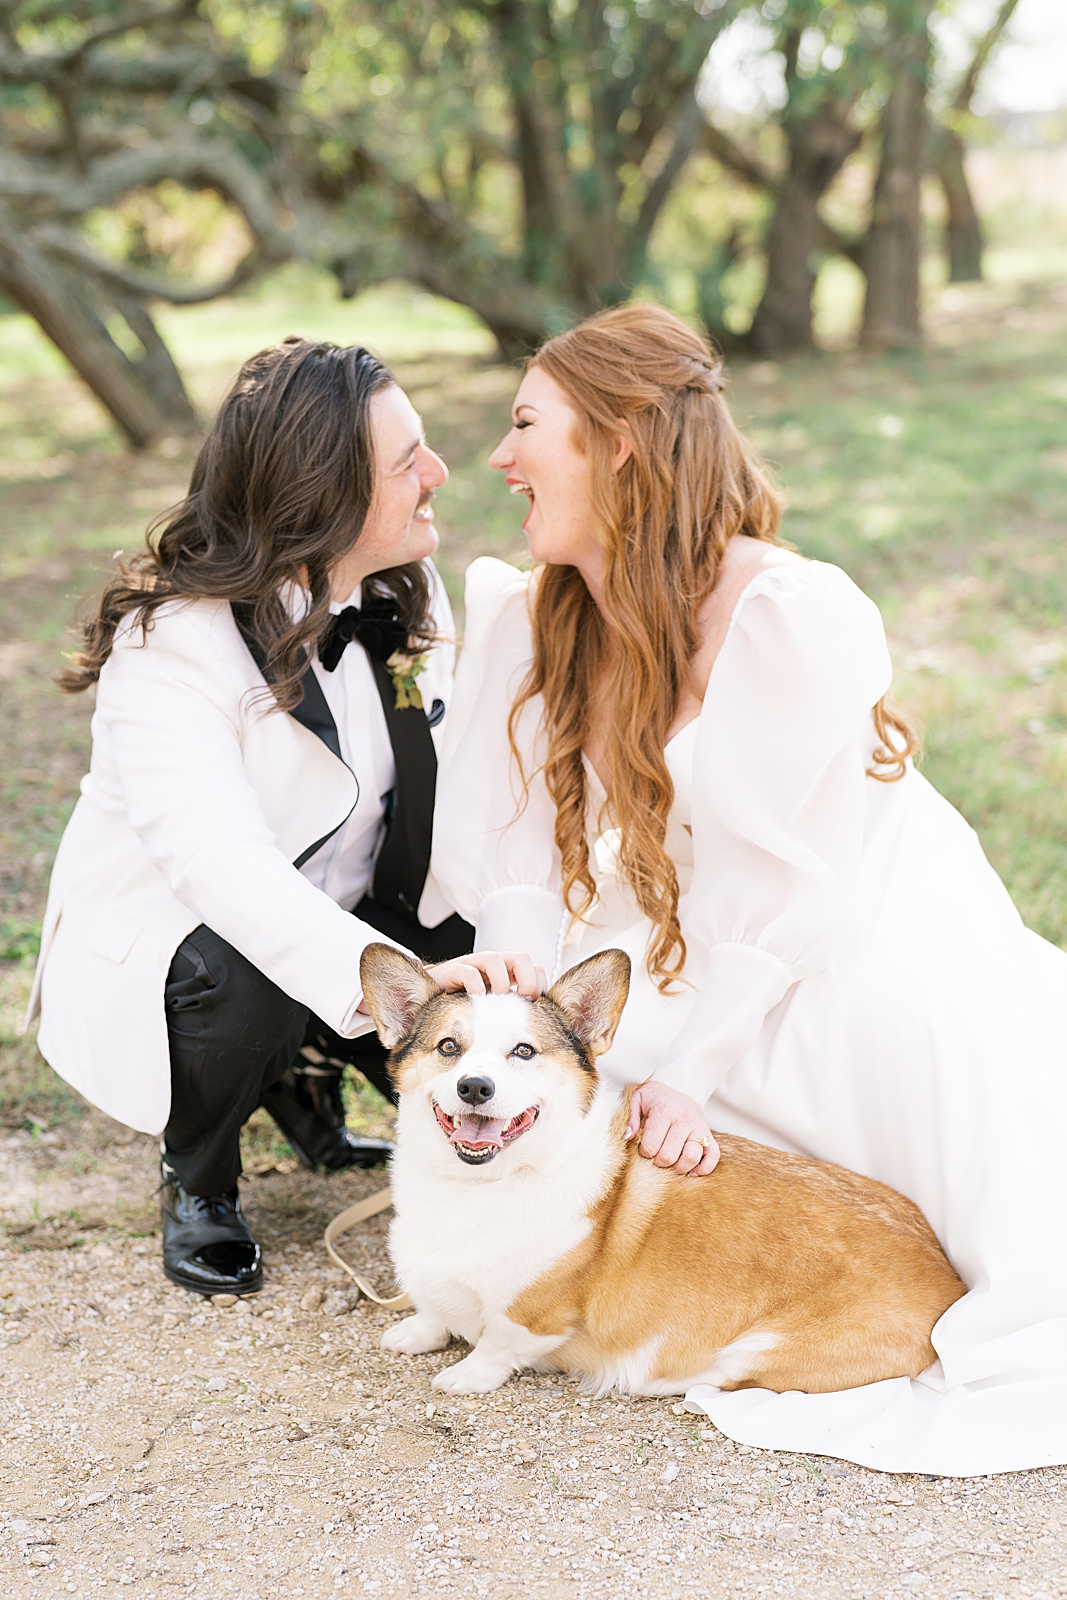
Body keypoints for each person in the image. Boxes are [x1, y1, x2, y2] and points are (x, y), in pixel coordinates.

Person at [432, 303, 1067, 1476]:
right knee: (589, 1057)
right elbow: (515, 845)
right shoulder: (531, 612)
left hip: (846, 888)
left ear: (618, 443)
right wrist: (517, 976)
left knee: (906, 1026)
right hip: (673, 903)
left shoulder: (782, 610)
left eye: (525, 425)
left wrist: (694, 1071)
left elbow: (788, 883)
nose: (499, 457)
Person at [25, 337, 541, 1300]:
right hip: (189, 942)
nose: (438, 475)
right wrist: (401, 976)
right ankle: (201, 1177)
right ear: (324, 498)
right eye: (406, 464)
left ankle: (305, 1076)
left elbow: (452, 790)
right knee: (238, 962)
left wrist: (473, 941)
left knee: (486, 943)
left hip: (350, 903)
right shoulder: (172, 643)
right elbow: (220, 866)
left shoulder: (404, 591)